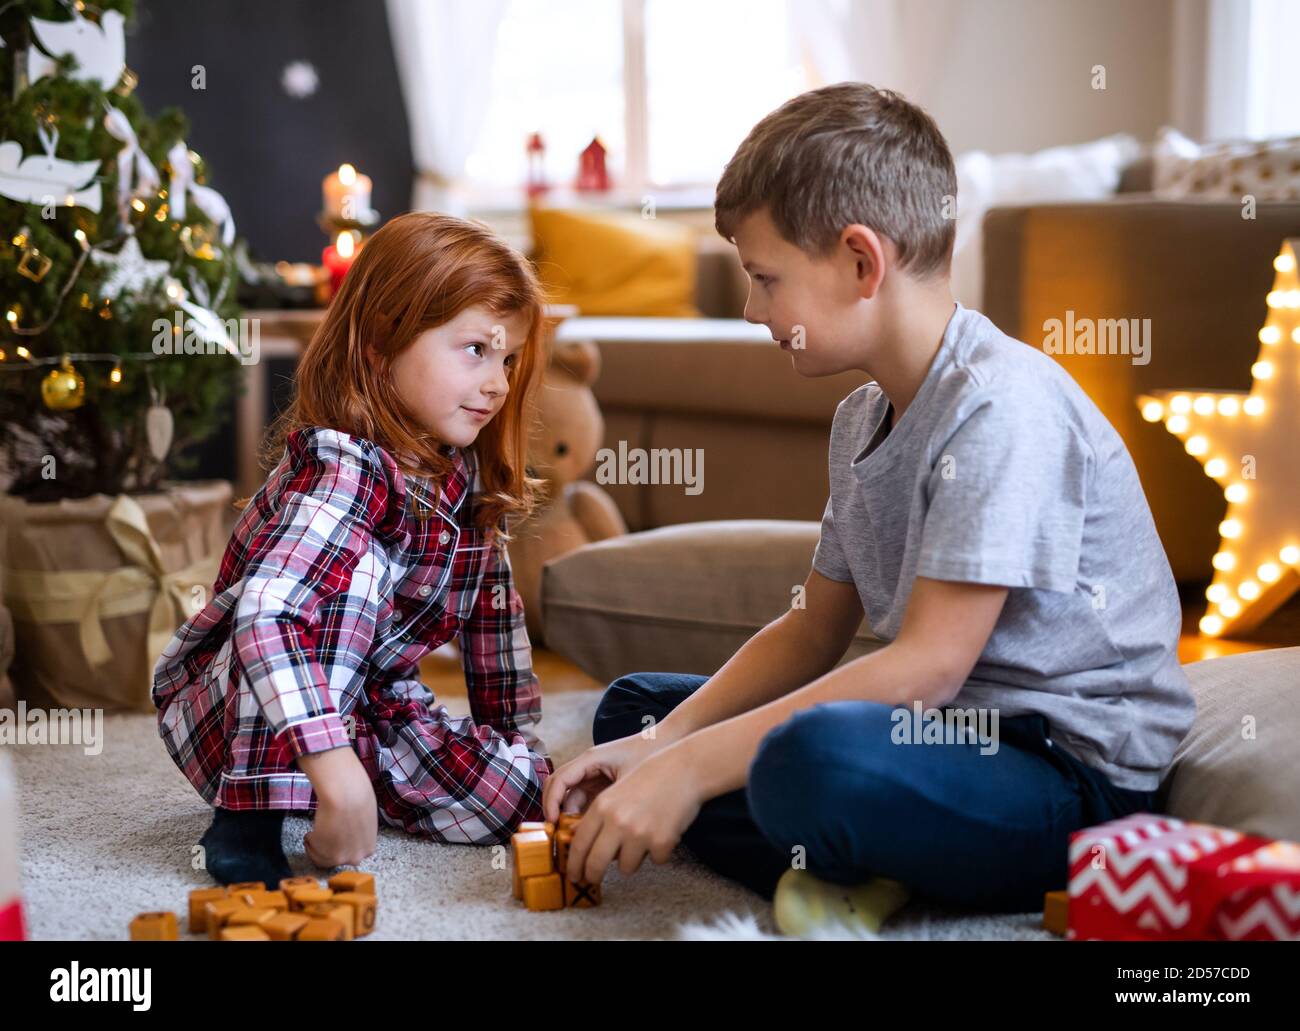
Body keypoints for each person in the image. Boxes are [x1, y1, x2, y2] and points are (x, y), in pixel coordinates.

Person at [543, 83, 1196, 937]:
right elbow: (812, 628)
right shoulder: (861, 418)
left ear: (860, 261)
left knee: (804, 762)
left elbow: (927, 667)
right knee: (634, 712)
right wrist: (671, 745)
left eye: (764, 278)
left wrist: (695, 768)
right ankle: (871, 859)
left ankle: (855, 846)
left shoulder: (1000, 407)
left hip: (1067, 778)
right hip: (936, 742)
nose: (751, 310)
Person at [153, 212, 552, 886]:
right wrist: (337, 778)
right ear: (380, 345)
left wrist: (520, 753)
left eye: (508, 359)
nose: (497, 383)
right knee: (355, 573)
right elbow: (267, 615)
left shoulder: (464, 476)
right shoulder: (341, 468)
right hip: (240, 701)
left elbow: (493, 621)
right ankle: (251, 812)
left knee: (520, 794)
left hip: (367, 703)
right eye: (476, 351)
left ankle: (348, 784)